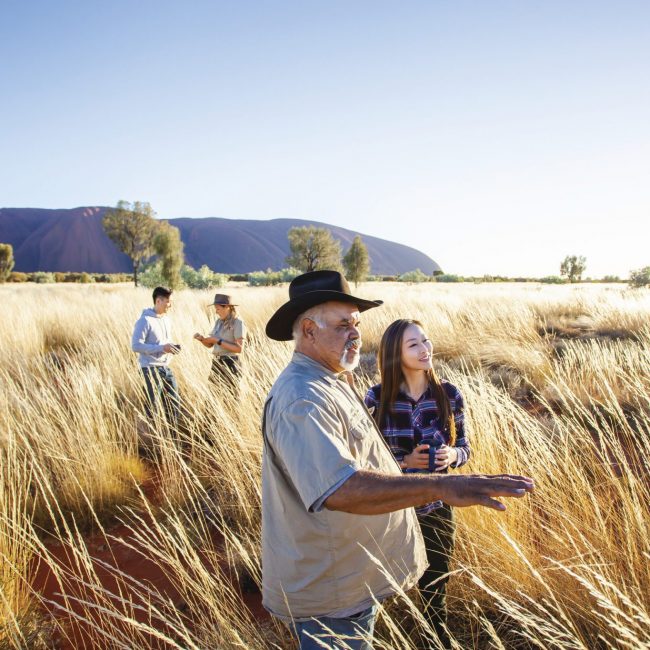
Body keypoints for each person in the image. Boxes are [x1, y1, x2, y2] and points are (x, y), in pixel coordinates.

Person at [262, 270, 534, 650]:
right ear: (309, 331)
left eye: (356, 324)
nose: (356, 334)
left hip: (351, 579)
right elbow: (340, 489)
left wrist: (448, 464)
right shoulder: (302, 398)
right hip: (331, 594)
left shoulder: (334, 381)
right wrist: (440, 485)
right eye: (343, 325)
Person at [365, 319, 470, 646]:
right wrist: (404, 463)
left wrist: (452, 456)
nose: (425, 350)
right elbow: (363, 462)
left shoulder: (448, 395)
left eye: (426, 341)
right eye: (414, 345)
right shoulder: (376, 398)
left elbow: (465, 446)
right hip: (392, 509)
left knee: (435, 585)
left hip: (438, 507)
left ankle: (436, 640)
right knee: (382, 583)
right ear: (395, 353)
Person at [131, 286, 181, 429]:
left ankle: (171, 439)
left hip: (165, 368)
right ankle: (149, 440)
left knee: (174, 404)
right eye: (168, 301)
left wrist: (170, 347)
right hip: (149, 369)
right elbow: (136, 346)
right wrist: (160, 348)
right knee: (153, 407)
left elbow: (163, 342)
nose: (170, 305)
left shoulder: (166, 320)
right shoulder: (144, 320)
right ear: (158, 301)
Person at [193, 293, 246, 391]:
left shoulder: (238, 323)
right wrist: (202, 339)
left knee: (231, 397)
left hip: (231, 363)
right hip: (217, 362)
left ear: (227, 307)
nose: (216, 312)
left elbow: (239, 349)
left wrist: (218, 340)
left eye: (218, 309)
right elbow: (210, 345)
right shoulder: (218, 322)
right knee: (213, 395)